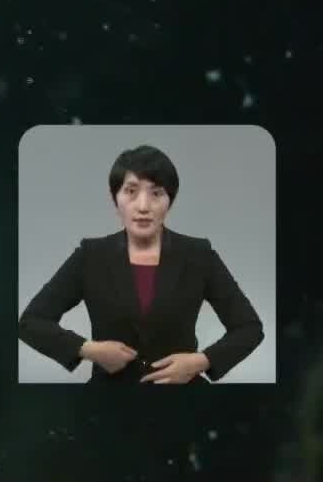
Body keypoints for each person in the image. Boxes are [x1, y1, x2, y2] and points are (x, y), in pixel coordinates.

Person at [17, 144, 264, 384]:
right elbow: (32, 323)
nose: (143, 206)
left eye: (157, 193)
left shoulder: (199, 255)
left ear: (170, 201)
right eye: (131, 191)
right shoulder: (90, 256)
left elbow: (249, 328)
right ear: (115, 198)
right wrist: (89, 350)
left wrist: (200, 362)